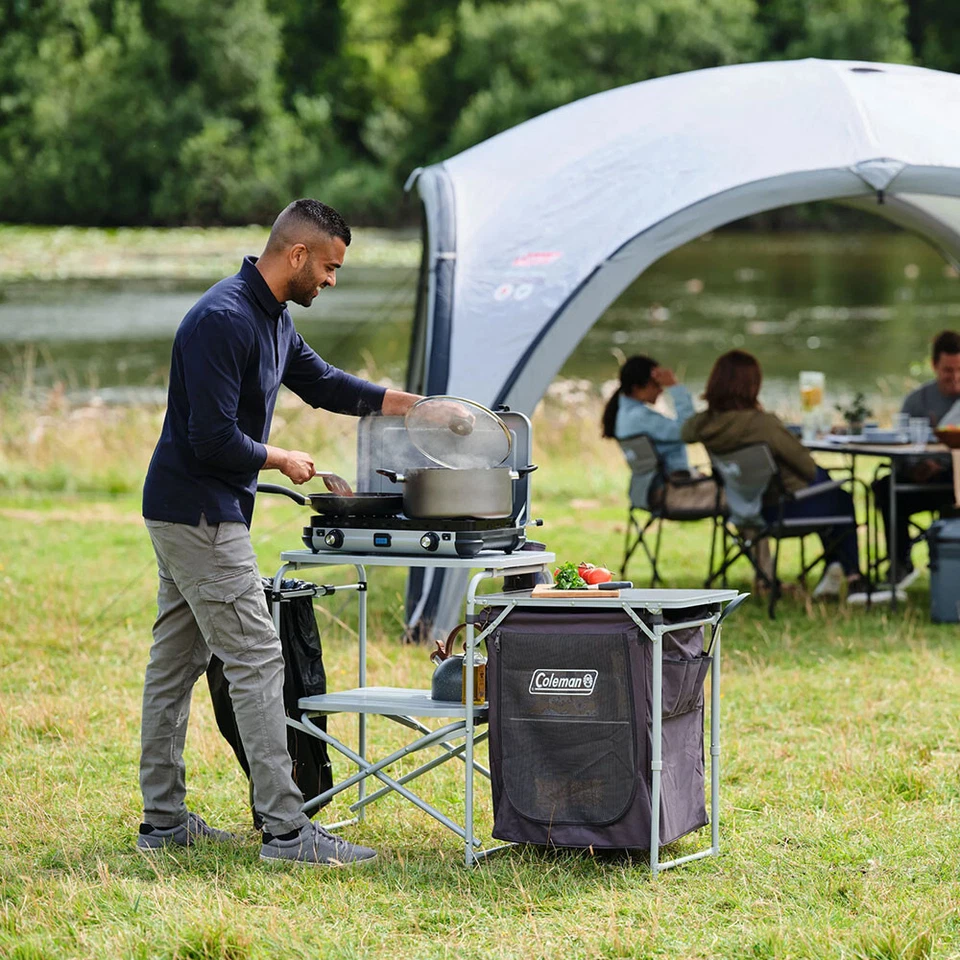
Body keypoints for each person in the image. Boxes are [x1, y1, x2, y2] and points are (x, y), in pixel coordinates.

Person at [139, 199, 425, 866]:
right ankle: (288, 831)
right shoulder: (222, 319)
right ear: (296, 255)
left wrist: (402, 403)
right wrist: (282, 458)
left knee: (175, 665)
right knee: (257, 660)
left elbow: (320, 383)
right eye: (328, 266)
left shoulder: (270, 320)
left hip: (191, 510)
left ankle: (163, 821)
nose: (332, 279)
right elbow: (211, 438)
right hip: (202, 513)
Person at [681, 350, 871, 602]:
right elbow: (806, 466)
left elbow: (685, 431)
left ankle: (834, 568)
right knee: (840, 497)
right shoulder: (763, 424)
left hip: (744, 508)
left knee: (829, 493)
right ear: (752, 386)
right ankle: (854, 577)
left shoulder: (704, 425)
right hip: (781, 510)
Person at [872, 329, 960, 592]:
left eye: (959, 370)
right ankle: (899, 563)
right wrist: (913, 467)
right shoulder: (917, 401)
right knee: (885, 488)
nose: (955, 378)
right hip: (923, 479)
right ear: (934, 366)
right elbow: (901, 443)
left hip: (955, 480)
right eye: (948, 370)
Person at [601, 355, 719, 512]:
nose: (661, 389)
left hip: (645, 492)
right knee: (741, 495)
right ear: (637, 388)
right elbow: (690, 430)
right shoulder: (639, 417)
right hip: (669, 493)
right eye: (656, 384)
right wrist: (675, 387)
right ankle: (752, 536)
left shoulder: (624, 415)